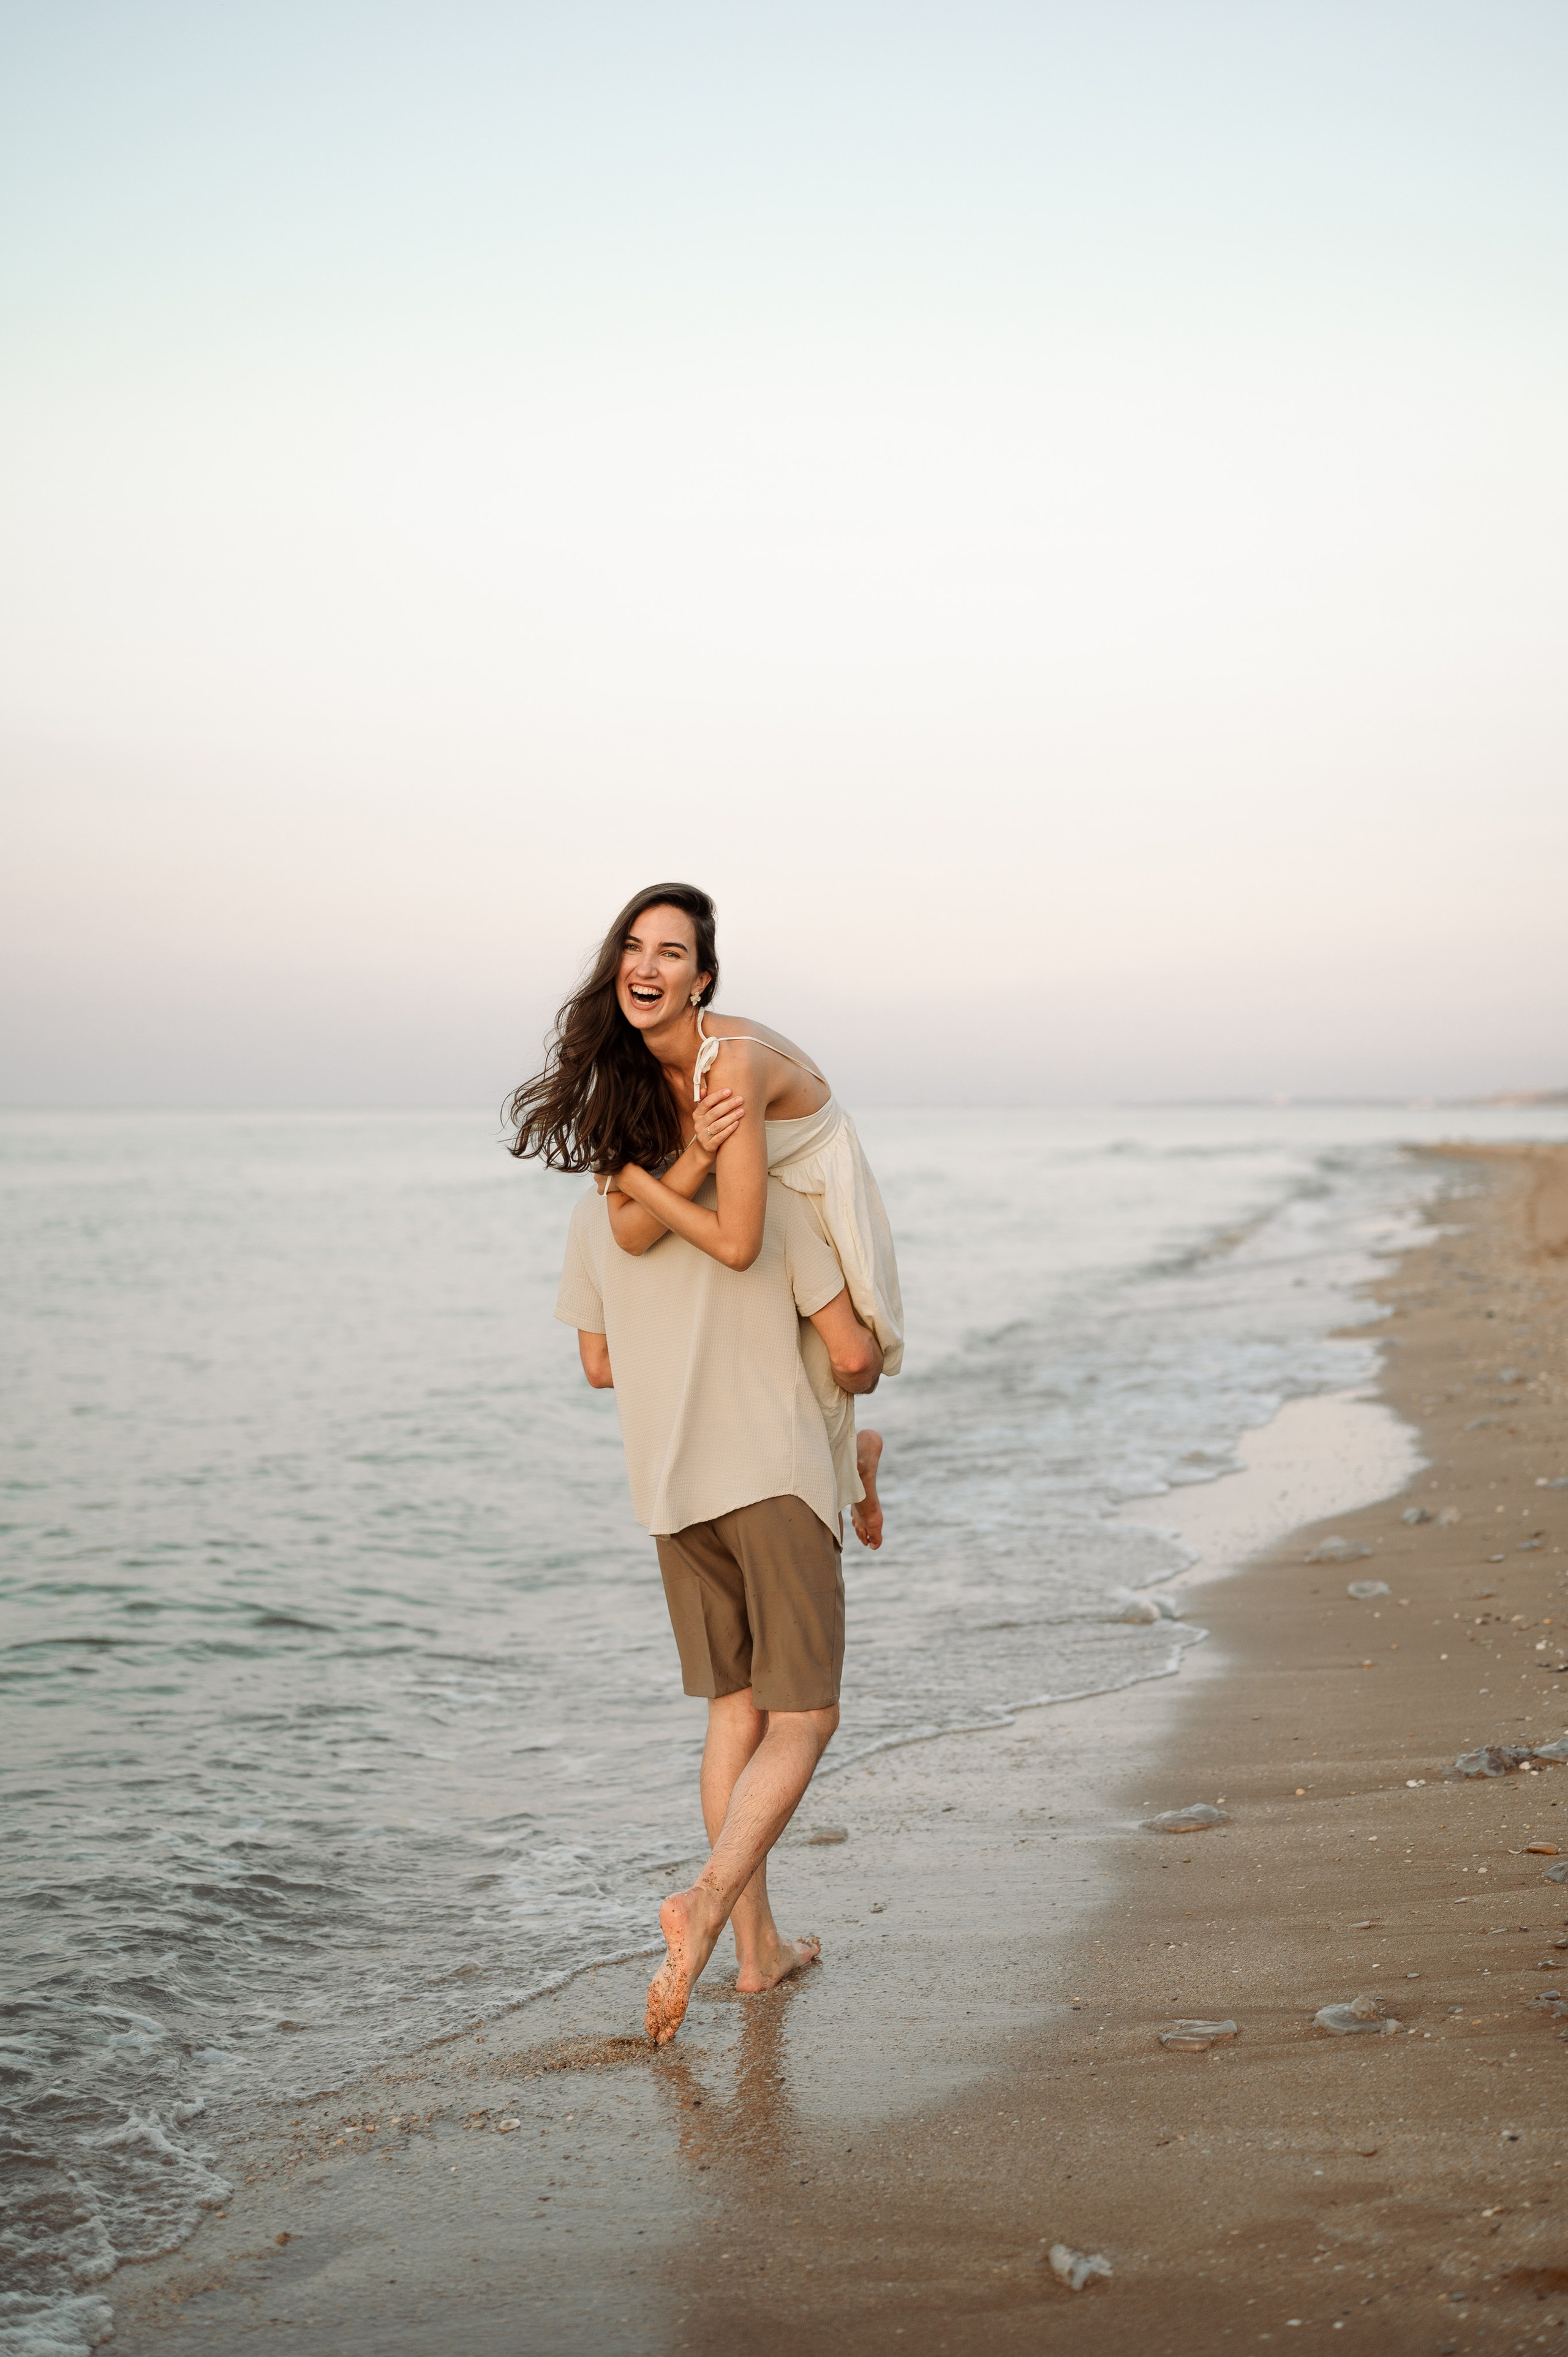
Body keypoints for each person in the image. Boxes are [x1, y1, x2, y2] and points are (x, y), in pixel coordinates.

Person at [506, 883, 903, 2043]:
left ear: (703, 980)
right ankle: (708, 1903)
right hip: (767, 1472)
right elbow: (841, 1342)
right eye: (635, 946)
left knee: (734, 1711)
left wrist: (644, 1181)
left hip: (670, 1488)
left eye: (668, 950)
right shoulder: (772, 1204)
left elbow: (597, 1361)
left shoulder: (605, 1193)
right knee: (808, 1718)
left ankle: (760, 1954)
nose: (647, 963)